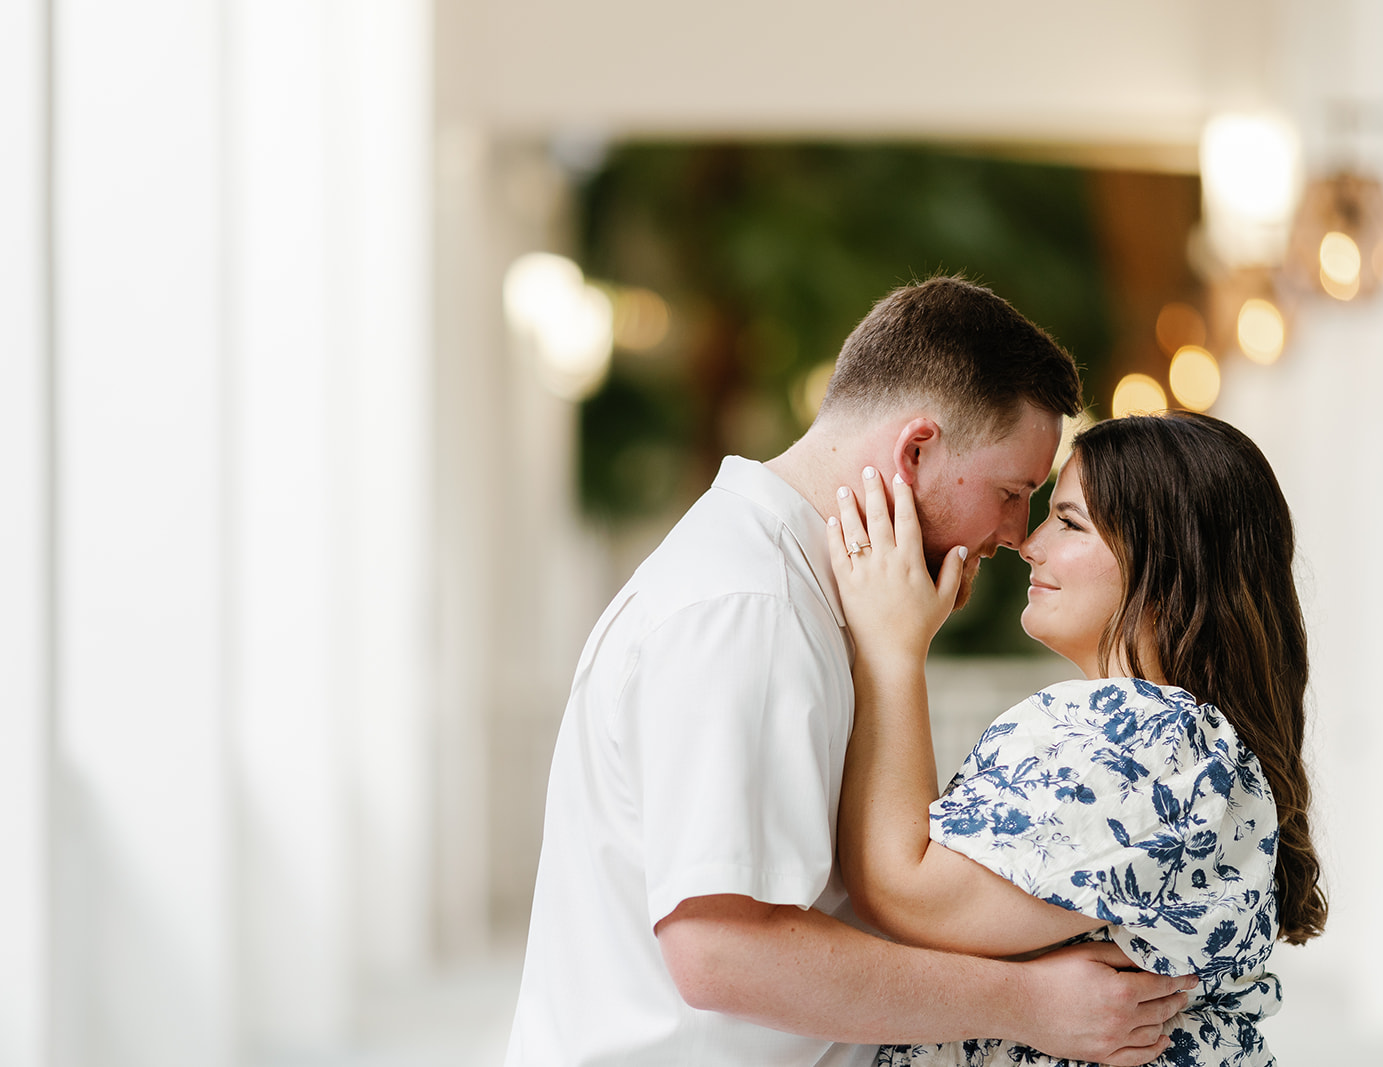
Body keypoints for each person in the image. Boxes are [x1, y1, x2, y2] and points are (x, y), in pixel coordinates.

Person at [504, 277, 1197, 1067]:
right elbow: (721, 949)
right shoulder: (749, 608)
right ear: (915, 451)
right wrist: (1029, 1003)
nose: (1013, 533)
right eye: (1012, 492)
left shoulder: (804, 593)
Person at [826, 411, 1326, 1067]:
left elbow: (908, 894)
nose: (1029, 542)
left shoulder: (1152, 736)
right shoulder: (1175, 737)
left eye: (1068, 521)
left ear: (1164, 561)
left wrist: (892, 646)